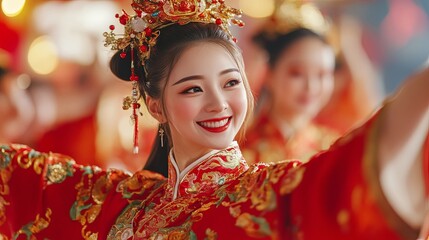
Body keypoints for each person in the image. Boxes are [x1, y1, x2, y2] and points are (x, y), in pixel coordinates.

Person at [0, 1, 428, 239]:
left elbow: (352, 171)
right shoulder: (122, 201)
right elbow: (24, 183)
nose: (218, 103)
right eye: (192, 89)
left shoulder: (262, 196)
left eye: (230, 83)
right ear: (155, 105)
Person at [241, 2, 340, 164]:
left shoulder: (333, 149)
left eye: (322, 74)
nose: (311, 87)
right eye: (297, 73)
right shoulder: (241, 152)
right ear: (270, 73)